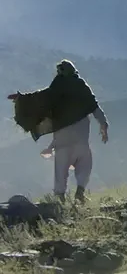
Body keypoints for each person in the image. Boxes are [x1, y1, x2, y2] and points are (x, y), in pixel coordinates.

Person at [8, 59, 109, 203]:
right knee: (85, 164)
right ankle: (80, 191)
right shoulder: (81, 86)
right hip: (81, 136)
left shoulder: (56, 88)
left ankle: (60, 197)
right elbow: (94, 106)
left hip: (62, 137)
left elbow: (39, 97)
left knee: (61, 169)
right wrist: (104, 125)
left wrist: (21, 99)